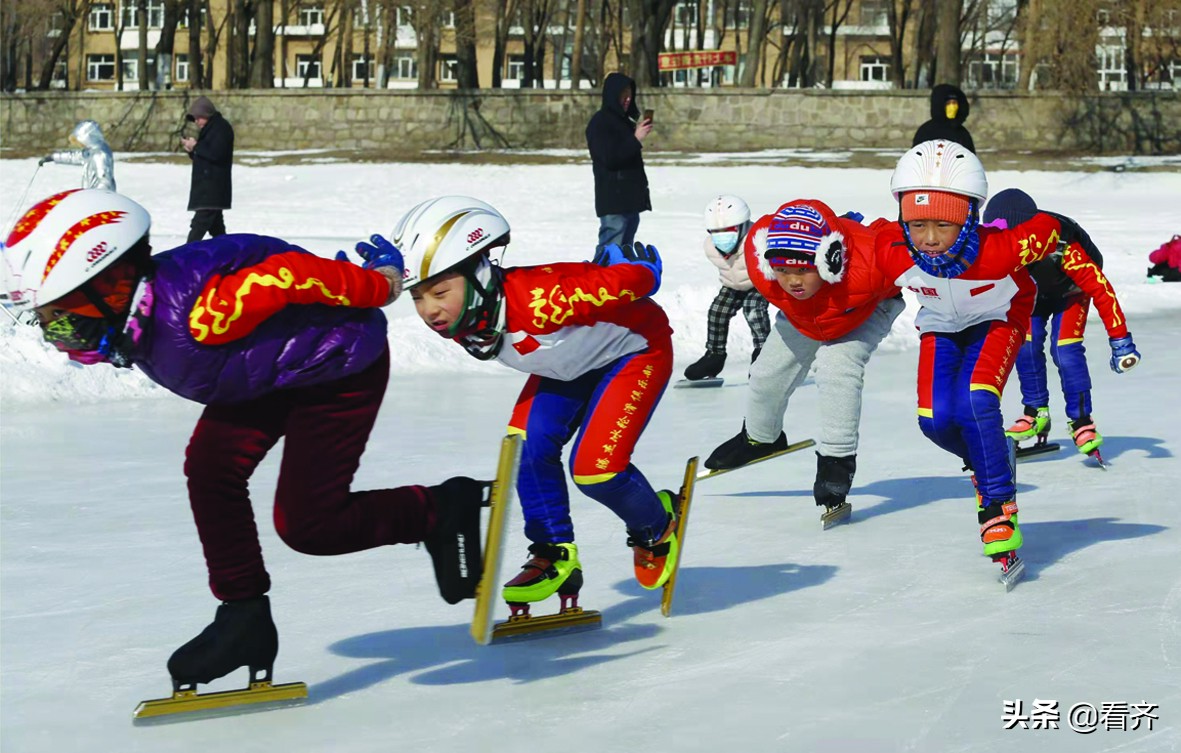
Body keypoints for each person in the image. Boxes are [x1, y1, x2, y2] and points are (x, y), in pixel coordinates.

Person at [2, 188, 487, 693]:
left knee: (309, 525)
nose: (56, 335)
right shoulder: (141, 323)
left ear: (108, 286)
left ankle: (439, 510)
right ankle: (243, 619)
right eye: (47, 320)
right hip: (266, 372)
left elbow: (289, 275)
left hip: (338, 368)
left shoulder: (201, 315)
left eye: (61, 317)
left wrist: (378, 283)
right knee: (211, 471)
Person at [869, 140, 1140, 576]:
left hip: (1002, 315)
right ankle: (991, 457)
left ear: (971, 219)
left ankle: (997, 503)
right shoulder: (891, 250)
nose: (931, 239)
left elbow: (1052, 227)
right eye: (917, 224)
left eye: (945, 223)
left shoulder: (1002, 249)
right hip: (941, 323)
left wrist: (1119, 337)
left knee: (979, 399)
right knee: (934, 420)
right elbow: (847, 247)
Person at [398, 195, 678, 615]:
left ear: (479, 276)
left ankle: (656, 526)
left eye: (439, 292)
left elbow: (623, 281)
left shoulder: (543, 301)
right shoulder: (470, 314)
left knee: (595, 471)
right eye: (418, 297)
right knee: (524, 447)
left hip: (634, 351)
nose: (430, 310)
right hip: (570, 364)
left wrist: (640, 273)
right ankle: (554, 552)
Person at [704, 199, 905, 518]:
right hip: (803, 316)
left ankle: (836, 463)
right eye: (782, 270)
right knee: (766, 373)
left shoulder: (873, 263)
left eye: (802, 270)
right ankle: (760, 437)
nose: (793, 280)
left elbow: (915, 240)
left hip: (862, 307)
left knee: (836, 369)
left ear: (829, 260)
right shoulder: (764, 271)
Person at [982, 188, 1132, 458]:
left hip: (1070, 293)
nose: (1009, 245)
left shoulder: (1062, 247)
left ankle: (1081, 420)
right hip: (1034, 296)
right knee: (1024, 346)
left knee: (1065, 350)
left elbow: (1101, 288)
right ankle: (1035, 411)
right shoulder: (1000, 249)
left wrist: (1121, 340)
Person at [683, 195, 771, 381]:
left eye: (729, 230)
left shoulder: (758, 241)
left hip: (758, 283)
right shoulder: (710, 247)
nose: (722, 236)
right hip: (732, 285)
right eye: (716, 231)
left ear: (742, 226)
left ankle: (764, 356)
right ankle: (714, 356)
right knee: (717, 312)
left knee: (753, 311)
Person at [586, 72, 652, 256]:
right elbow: (609, 158)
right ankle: (599, 282)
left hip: (628, 200)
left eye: (630, 95)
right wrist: (636, 139)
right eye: (623, 95)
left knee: (624, 253)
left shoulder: (623, 122)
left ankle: (619, 284)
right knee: (610, 251)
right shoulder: (601, 122)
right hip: (614, 201)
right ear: (613, 95)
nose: (627, 100)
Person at [181, 95, 234, 243]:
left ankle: (186, 255)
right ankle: (227, 255)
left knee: (199, 225)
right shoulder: (212, 128)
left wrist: (196, 147)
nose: (197, 122)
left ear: (207, 114)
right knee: (217, 229)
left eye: (199, 118)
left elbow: (216, 154)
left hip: (212, 189)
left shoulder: (221, 128)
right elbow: (206, 157)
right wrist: (192, 151)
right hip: (210, 189)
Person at [38, 119, 116, 190]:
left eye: (80, 142)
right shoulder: (89, 152)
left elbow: (105, 181)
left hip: (101, 199)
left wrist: (94, 195)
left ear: (88, 138)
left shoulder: (100, 155)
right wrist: (53, 157)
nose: (80, 145)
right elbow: (73, 157)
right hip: (92, 196)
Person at [912, 84, 975, 153]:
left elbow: (970, 158)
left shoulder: (962, 133)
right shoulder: (925, 132)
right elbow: (916, 157)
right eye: (948, 103)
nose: (952, 106)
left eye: (954, 103)